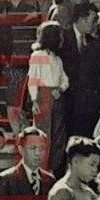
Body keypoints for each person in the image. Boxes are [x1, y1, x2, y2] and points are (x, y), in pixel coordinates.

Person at [61, 2, 100, 137]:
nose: (95, 24)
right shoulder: (63, 38)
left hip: (88, 103)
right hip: (69, 99)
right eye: (93, 20)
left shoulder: (93, 42)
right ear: (82, 19)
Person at [26, 20, 70, 173]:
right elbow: (33, 79)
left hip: (56, 96)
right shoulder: (38, 55)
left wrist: (60, 88)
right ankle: (41, 168)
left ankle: (53, 167)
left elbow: (65, 79)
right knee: (44, 134)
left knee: (59, 134)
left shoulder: (57, 59)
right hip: (43, 95)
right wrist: (33, 99)